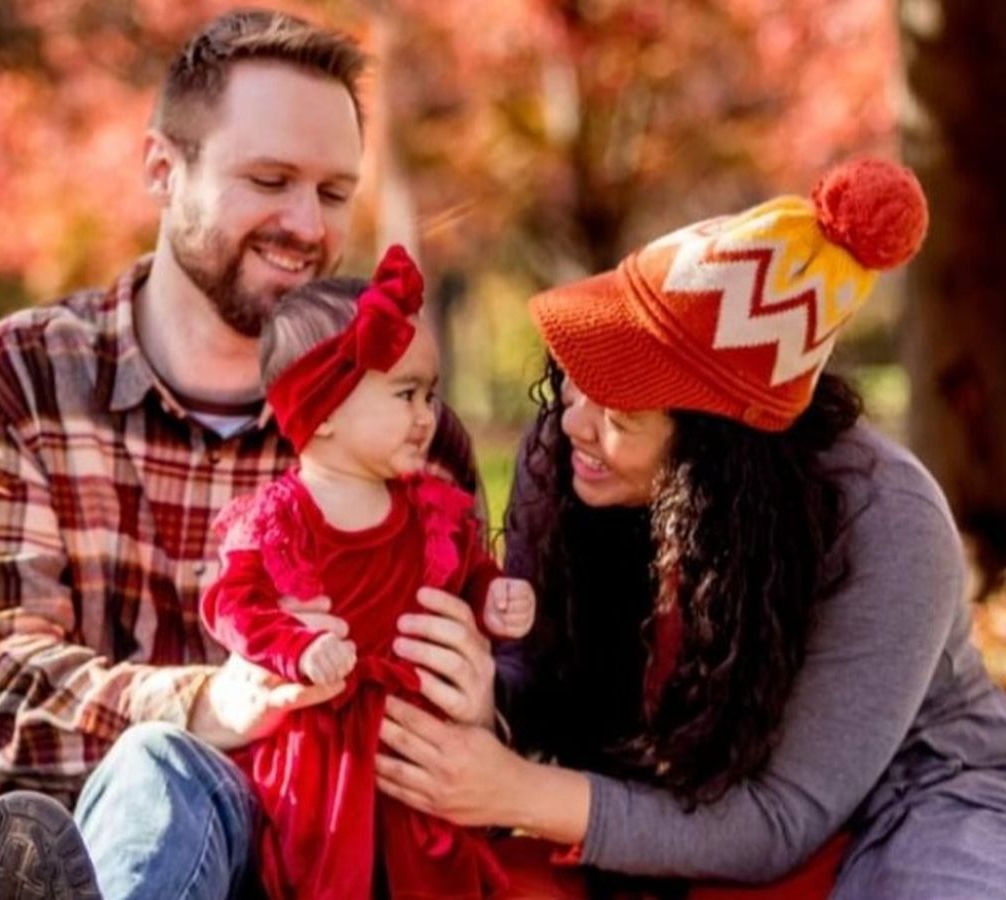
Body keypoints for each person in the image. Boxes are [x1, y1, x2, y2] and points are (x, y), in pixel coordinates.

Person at [0, 10, 497, 900]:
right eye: (270, 179)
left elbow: (485, 701)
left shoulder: (405, 431)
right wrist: (208, 705)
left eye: (333, 192)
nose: (306, 223)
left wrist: (484, 706)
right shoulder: (23, 377)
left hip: (276, 849)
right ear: (163, 170)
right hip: (26, 856)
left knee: (161, 770)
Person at [374, 158, 1006, 898]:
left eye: (620, 413)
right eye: (579, 378)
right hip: (672, 787)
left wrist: (516, 793)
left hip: (910, 797)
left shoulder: (887, 521)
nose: (574, 422)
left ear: (717, 458)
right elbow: (537, 673)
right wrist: (485, 706)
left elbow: (779, 818)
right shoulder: (571, 454)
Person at [201, 244, 535, 899]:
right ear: (323, 410)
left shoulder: (432, 511)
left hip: (414, 754)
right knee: (325, 878)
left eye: (430, 395)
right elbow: (232, 605)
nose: (427, 416)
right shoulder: (280, 519)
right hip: (325, 766)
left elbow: (467, 575)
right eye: (406, 394)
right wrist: (295, 647)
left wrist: (495, 597)